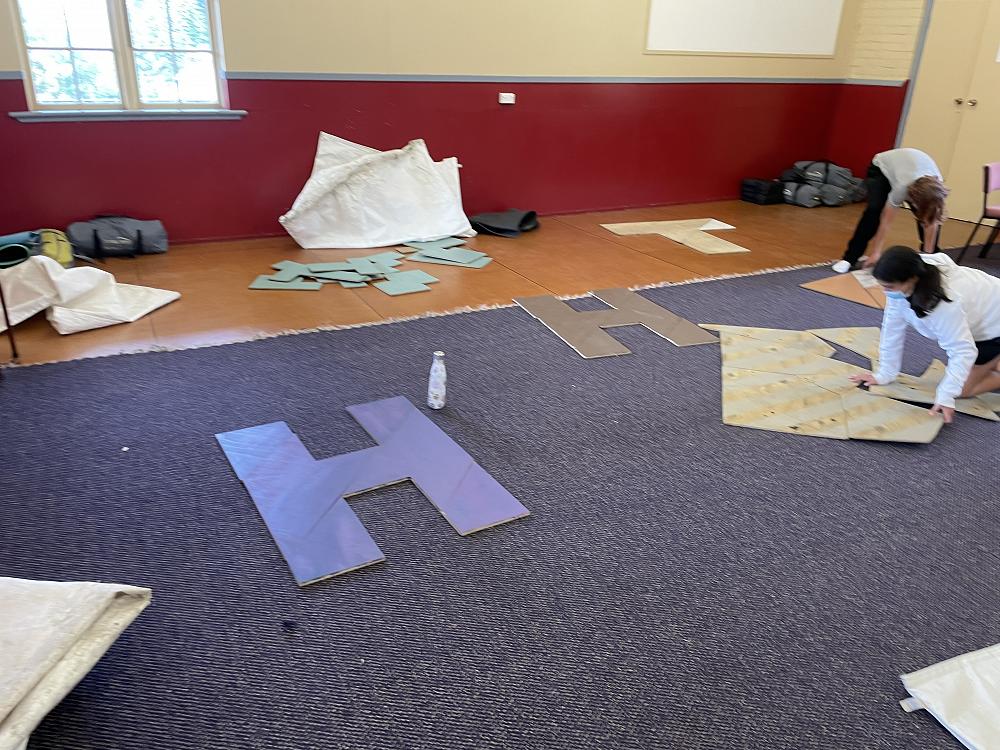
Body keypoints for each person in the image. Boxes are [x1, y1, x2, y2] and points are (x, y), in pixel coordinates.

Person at [849, 246, 1000, 423]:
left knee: (962, 390)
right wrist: (884, 374)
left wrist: (946, 394)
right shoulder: (908, 273)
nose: (885, 292)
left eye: (889, 287)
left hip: (995, 326)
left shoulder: (945, 303)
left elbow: (962, 350)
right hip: (984, 314)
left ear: (912, 279)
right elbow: (892, 328)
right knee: (969, 370)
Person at [832, 148, 949, 273]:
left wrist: (928, 256)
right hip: (881, 168)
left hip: (910, 170)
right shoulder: (902, 188)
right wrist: (876, 252)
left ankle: (932, 259)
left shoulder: (937, 190)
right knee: (874, 211)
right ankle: (849, 258)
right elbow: (885, 222)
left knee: (929, 216)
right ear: (913, 198)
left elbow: (932, 221)